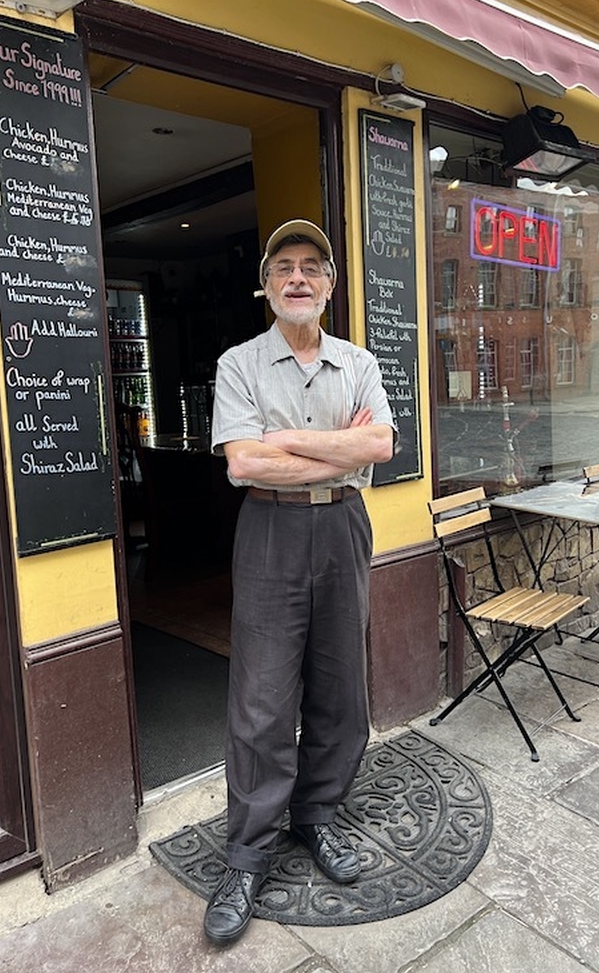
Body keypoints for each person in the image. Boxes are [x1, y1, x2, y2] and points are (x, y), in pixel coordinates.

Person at [205, 218, 395, 945]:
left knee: (341, 688)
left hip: (343, 526)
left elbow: (380, 444)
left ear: (330, 285)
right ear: (266, 285)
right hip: (270, 529)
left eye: (311, 267)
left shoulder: (359, 363)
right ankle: (247, 853)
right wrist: (338, 448)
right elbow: (245, 463)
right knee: (261, 697)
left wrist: (284, 438)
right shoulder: (239, 365)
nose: (297, 278)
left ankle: (316, 815)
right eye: (283, 266)